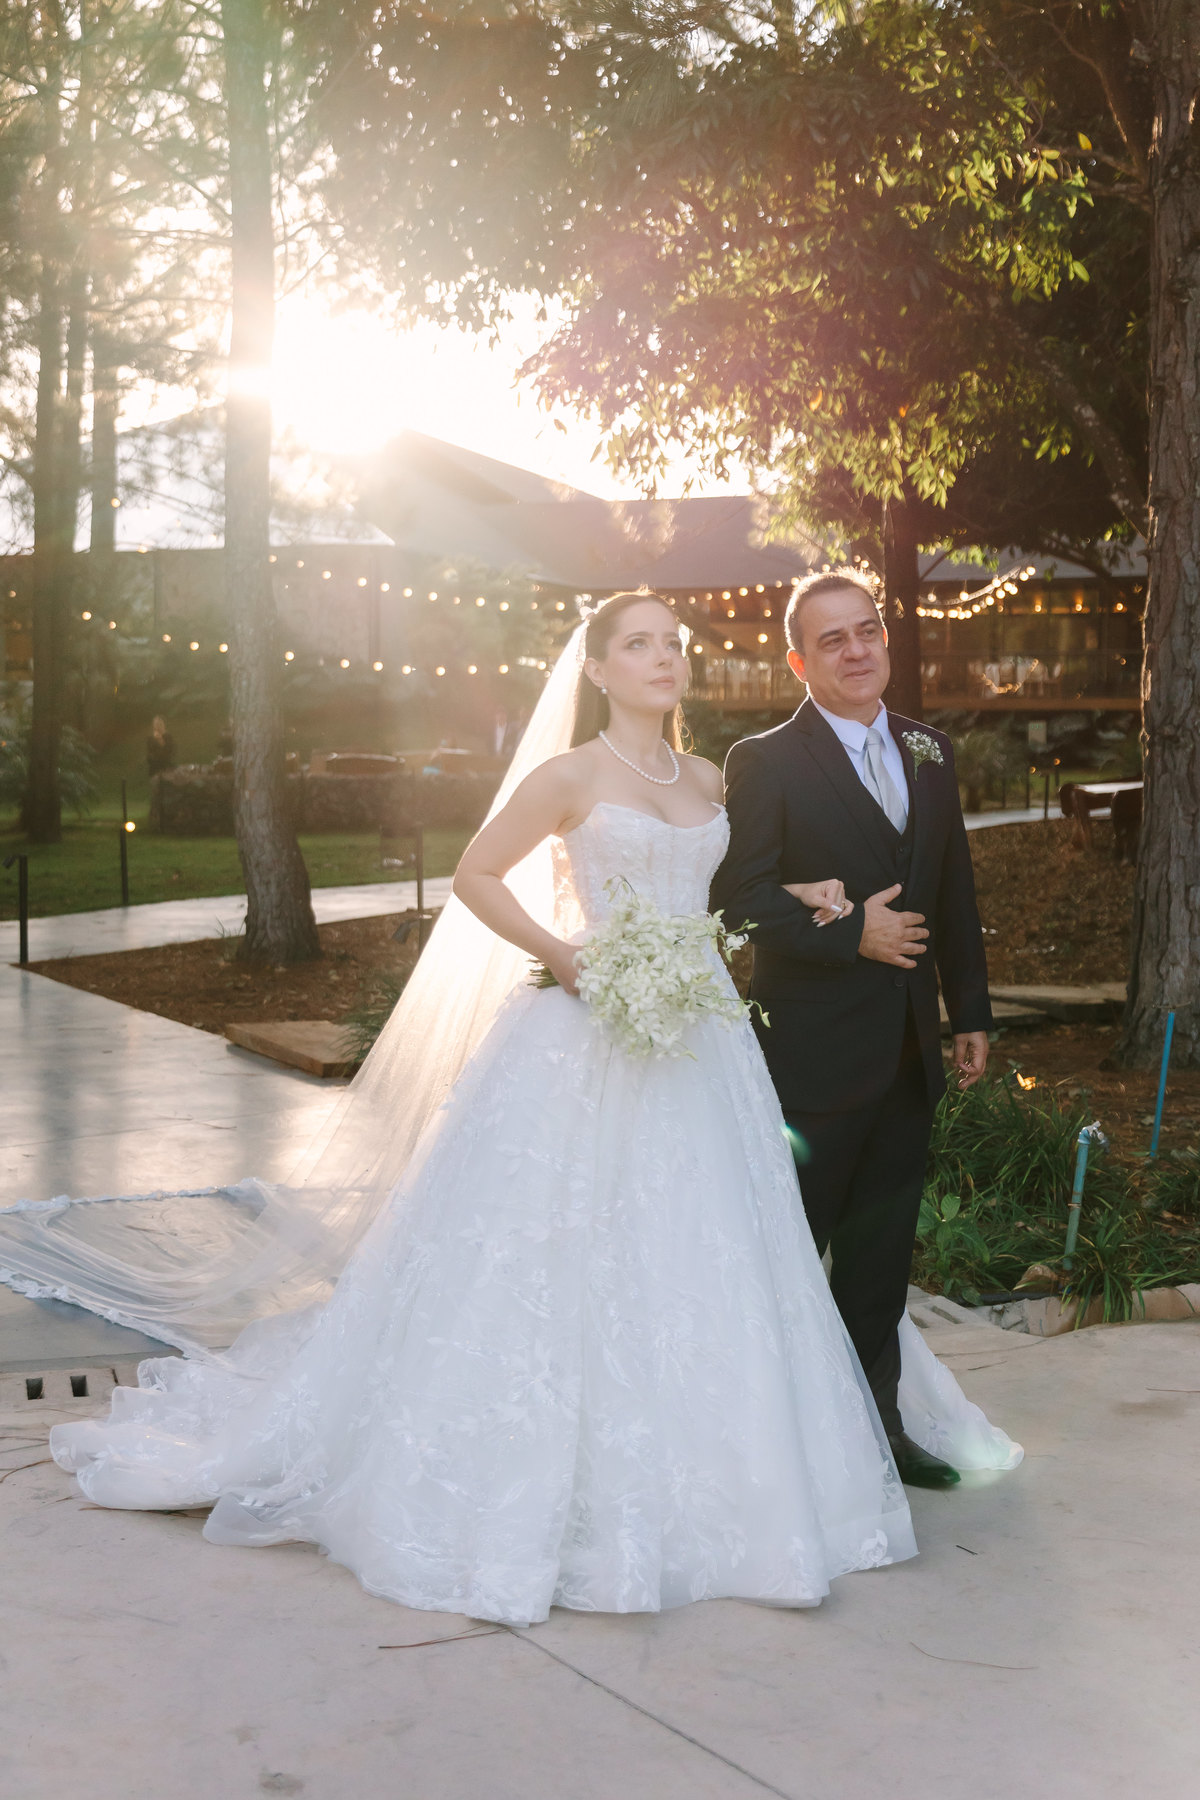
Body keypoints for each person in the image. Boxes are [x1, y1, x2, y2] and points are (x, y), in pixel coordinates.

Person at [0, 592, 1017, 1627]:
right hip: (589, 1030)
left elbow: (730, 894)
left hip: (704, 1038)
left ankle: (724, 1474)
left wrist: (811, 899)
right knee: (561, 1256)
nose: (664, 659)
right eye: (639, 646)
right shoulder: (570, 775)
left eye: (673, 645)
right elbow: (476, 871)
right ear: (600, 670)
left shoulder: (711, 777)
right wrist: (565, 954)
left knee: (704, 1256)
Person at [711, 569, 993, 1490]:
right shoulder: (765, 759)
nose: (857, 648)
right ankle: (782, 1446)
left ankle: (877, 1434)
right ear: (799, 660)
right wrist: (847, 932)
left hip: (911, 1052)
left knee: (878, 1261)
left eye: (867, 629)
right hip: (812, 1058)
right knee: (792, 1251)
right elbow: (738, 902)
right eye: (831, 639)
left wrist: (970, 1012)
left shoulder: (930, 750)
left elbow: (952, 891)